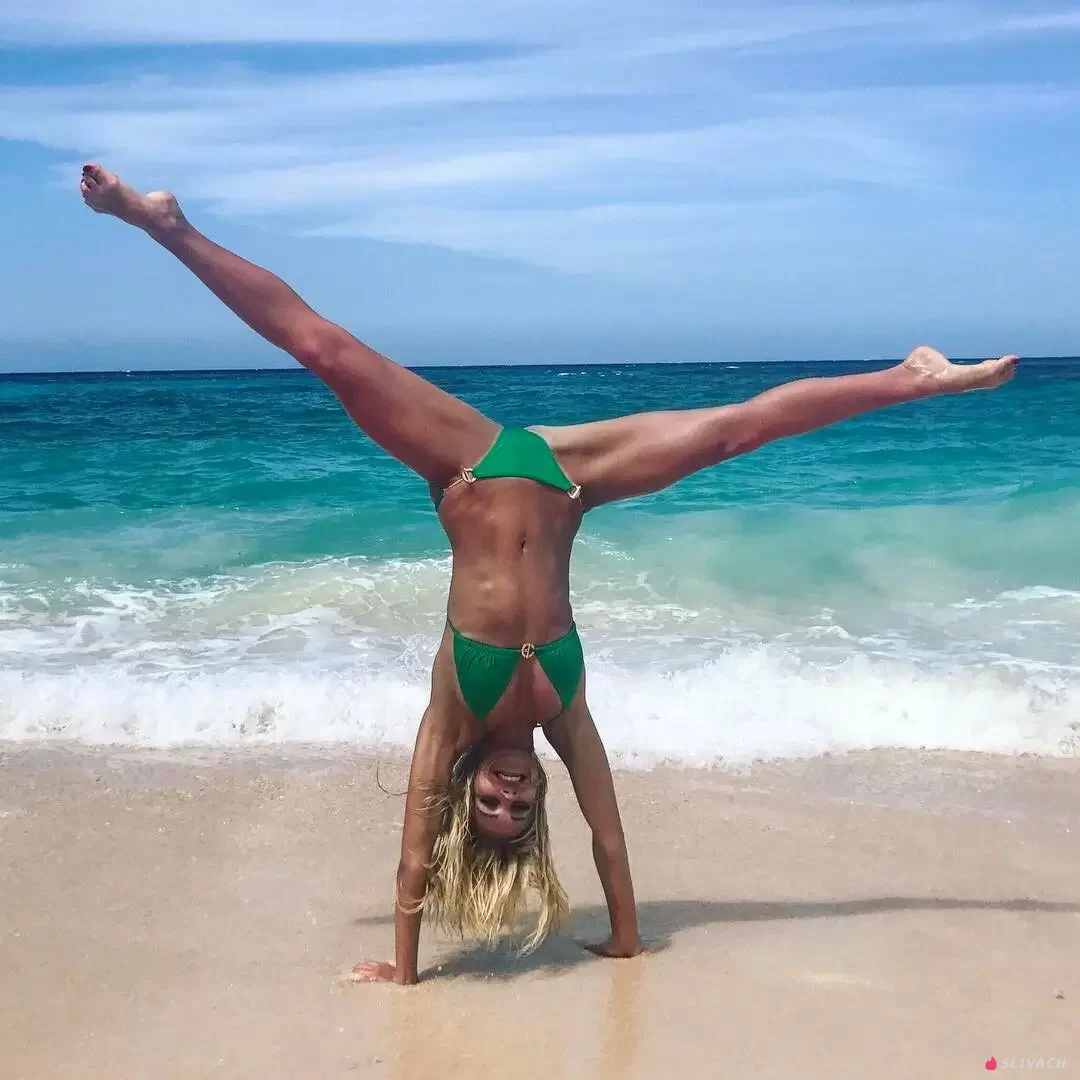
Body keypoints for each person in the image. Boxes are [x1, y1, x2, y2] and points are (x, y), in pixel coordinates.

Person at [79, 162, 1018, 984]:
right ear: (536, 804)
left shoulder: (452, 721)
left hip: (466, 463)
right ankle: (912, 378)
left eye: (491, 801)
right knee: (732, 434)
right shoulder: (564, 717)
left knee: (323, 350)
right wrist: (627, 940)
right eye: (520, 804)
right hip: (572, 478)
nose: (510, 791)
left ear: (470, 796)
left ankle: (165, 225)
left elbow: (412, 859)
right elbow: (609, 835)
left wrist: (404, 971)